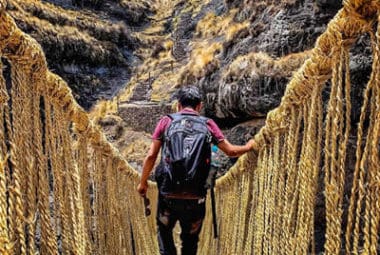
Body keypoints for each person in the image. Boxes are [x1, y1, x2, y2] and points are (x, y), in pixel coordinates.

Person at [137, 86, 257, 255]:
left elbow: (151, 156)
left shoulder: (166, 121)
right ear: (199, 106)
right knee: (190, 242)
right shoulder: (207, 124)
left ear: (178, 105)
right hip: (196, 197)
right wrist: (248, 146)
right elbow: (231, 151)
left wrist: (142, 184)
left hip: (168, 195)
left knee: (164, 232)